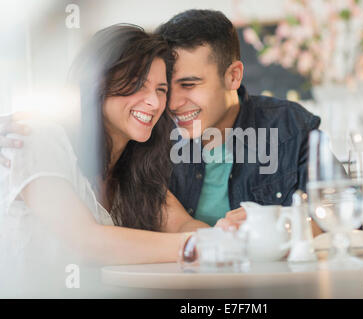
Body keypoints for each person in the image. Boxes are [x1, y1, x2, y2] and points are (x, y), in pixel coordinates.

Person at [0, 24, 224, 297]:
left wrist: (224, 234)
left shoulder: (131, 168)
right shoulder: (37, 137)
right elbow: (86, 240)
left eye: (161, 89)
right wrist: (200, 245)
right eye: (139, 85)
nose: (154, 102)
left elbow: (181, 224)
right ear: (97, 83)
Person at [155, 10, 322, 234]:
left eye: (189, 85)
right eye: (166, 87)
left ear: (233, 76)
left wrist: (279, 221)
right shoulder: (153, 138)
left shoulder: (291, 126)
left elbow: (343, 218)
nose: (172, 103)